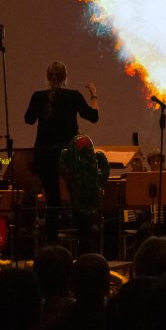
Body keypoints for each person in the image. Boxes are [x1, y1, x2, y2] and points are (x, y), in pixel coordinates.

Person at [24, 61, 99, 241]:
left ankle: (51, 245)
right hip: (69, 154)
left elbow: (28, 119)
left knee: (52, 202)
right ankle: (85, 246)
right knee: (77, 199)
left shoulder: (38, 96)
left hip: (45, 153)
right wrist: (94, 95)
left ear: (47, 77)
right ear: (66, 77)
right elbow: (93, 117)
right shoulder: (73, 96)